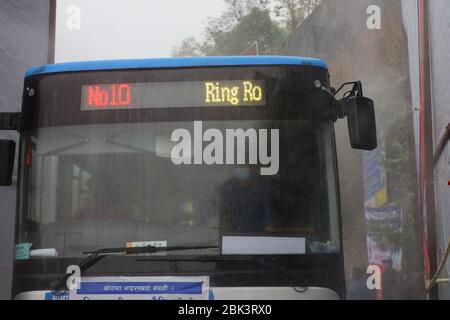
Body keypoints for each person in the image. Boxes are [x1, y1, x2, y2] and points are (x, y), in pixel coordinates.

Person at [218, 165, 275, 234]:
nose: (242, 169)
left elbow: (268, 208)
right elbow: (222, 209)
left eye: (245, 167)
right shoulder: (229, 186)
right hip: (233, 231)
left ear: (252, 169)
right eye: (240, 167)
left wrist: (269, 224)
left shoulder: (262, 186)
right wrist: (220, 219)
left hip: (257, 231)